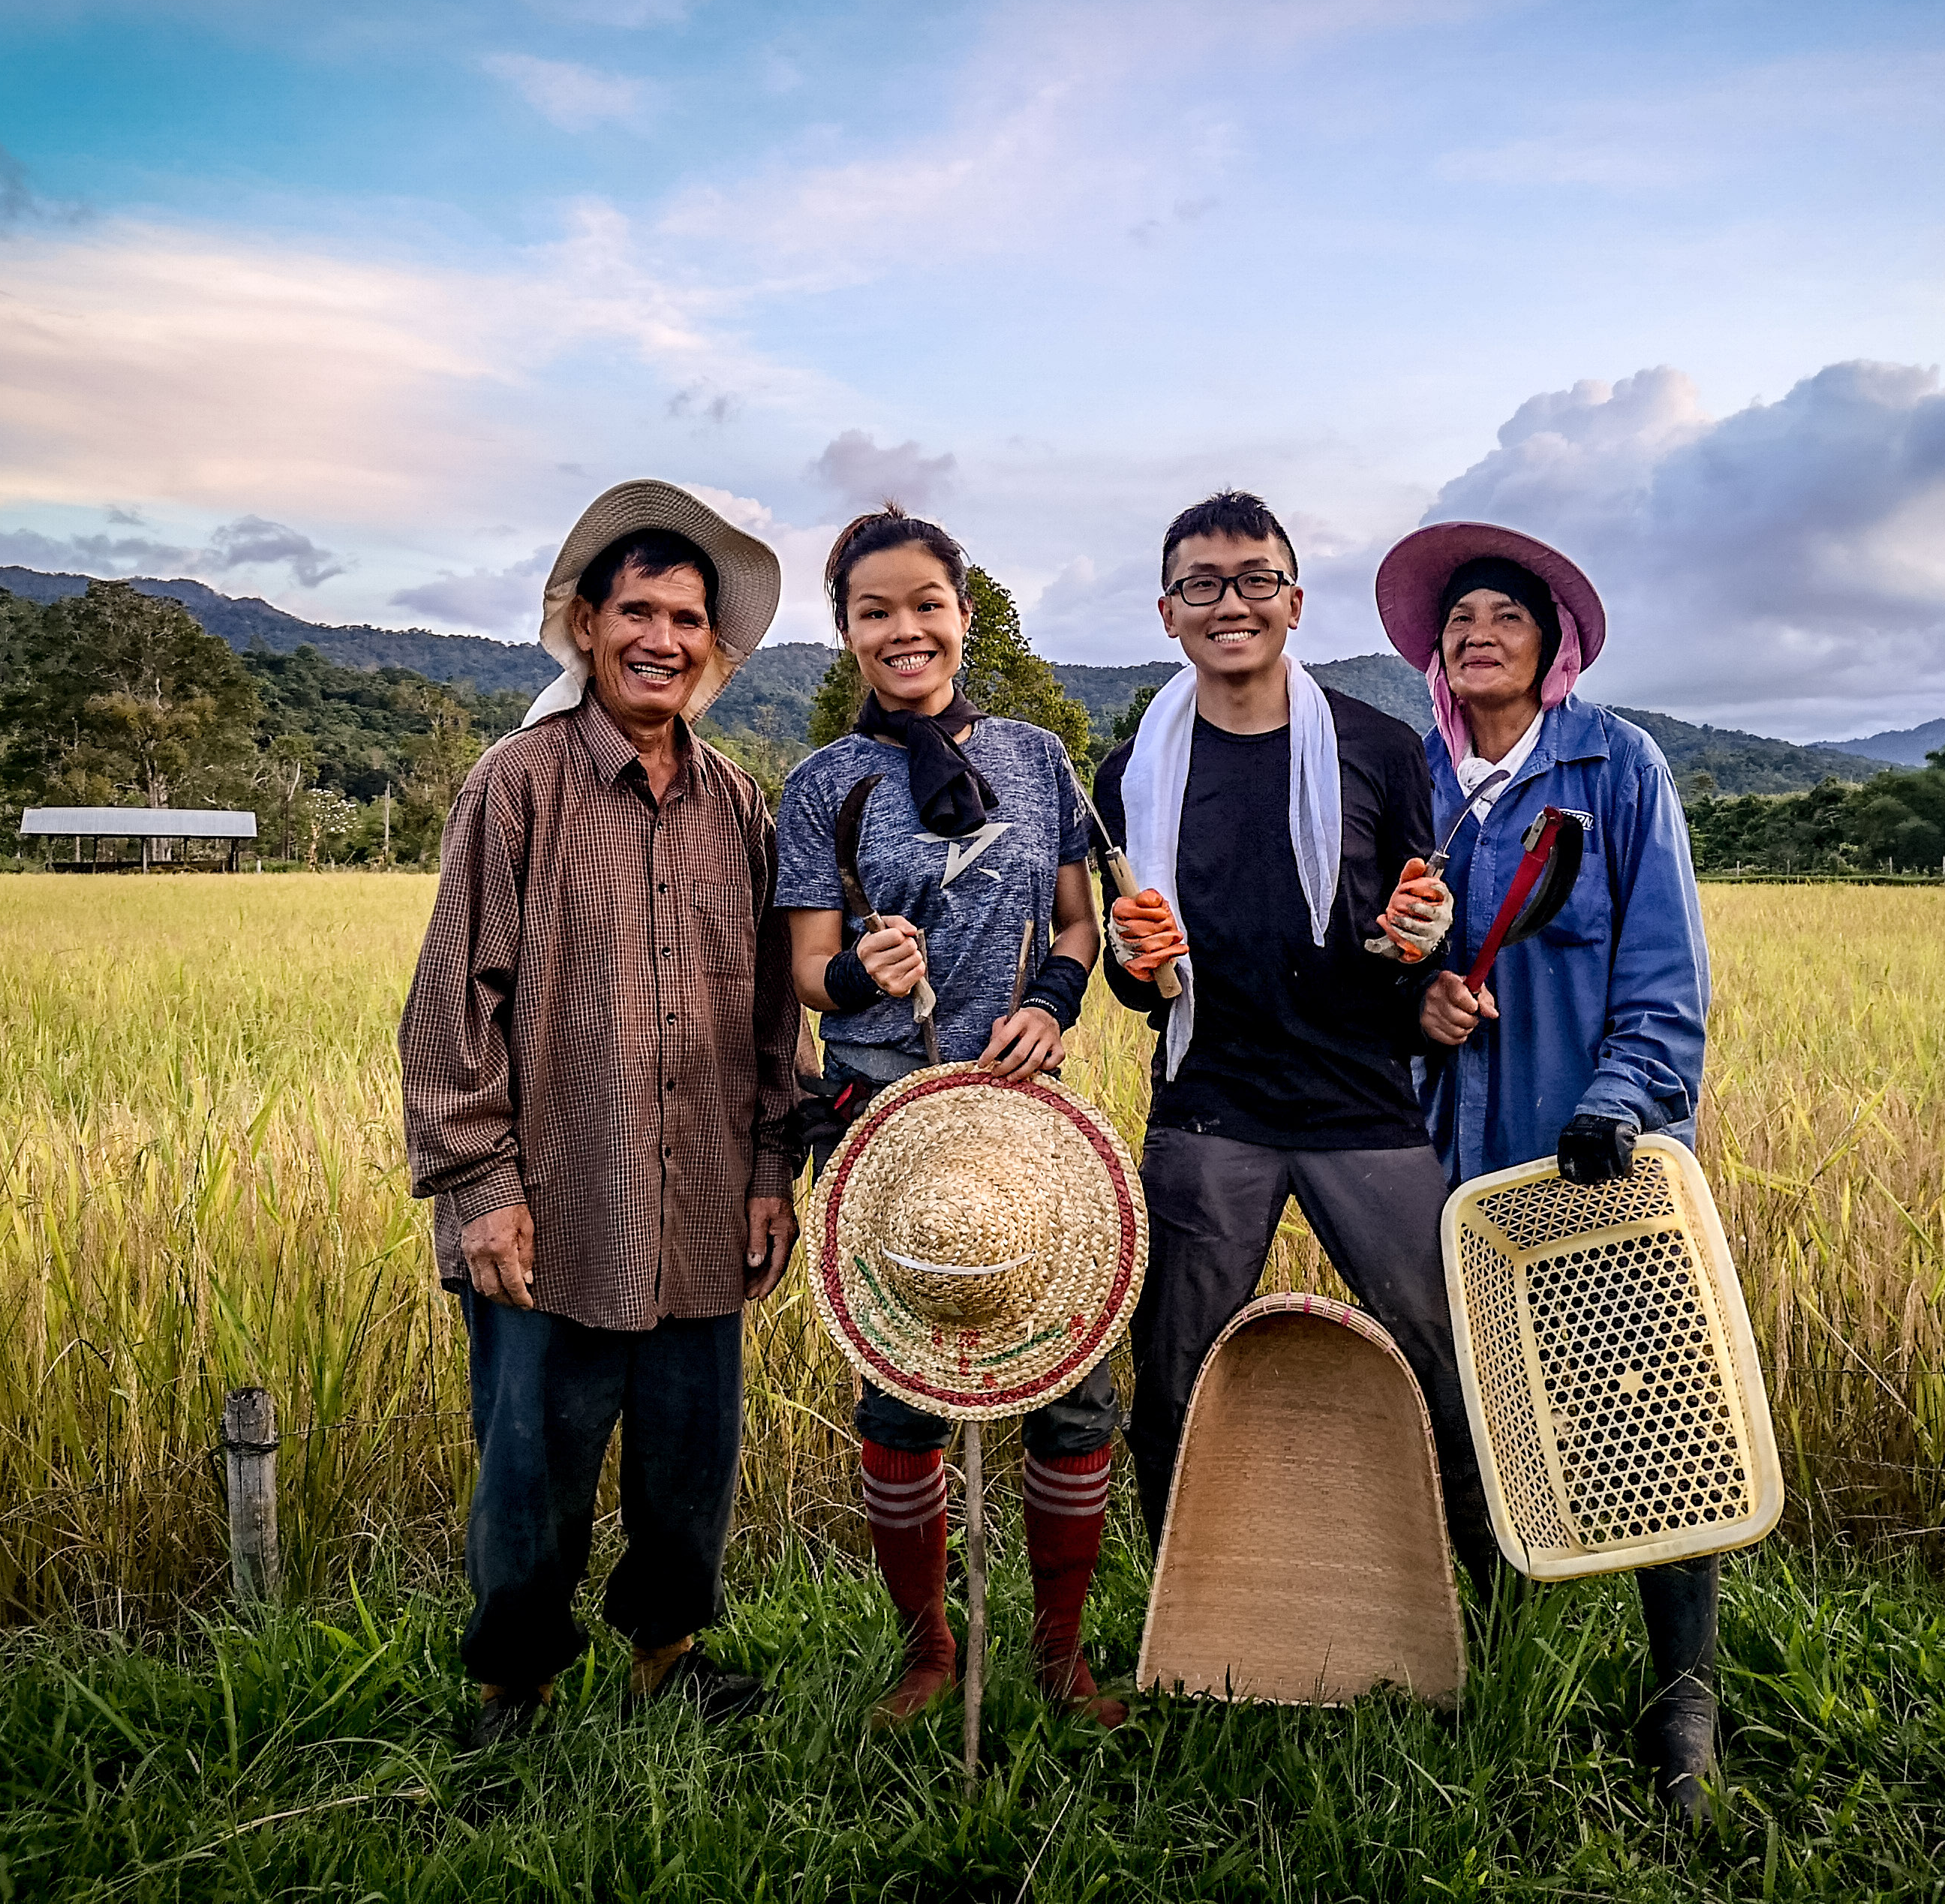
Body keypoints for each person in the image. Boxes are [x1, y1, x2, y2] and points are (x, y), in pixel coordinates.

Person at [400, 480, 801, 1748]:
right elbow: (453, 1000)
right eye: (638, 610)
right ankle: (511, 1690)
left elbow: (768, 1019)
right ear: (585, 623)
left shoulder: (737, 803)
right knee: (531, 1470)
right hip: (556, 1205)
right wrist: (480, 1187)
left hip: (701, 1202)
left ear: (713, 647)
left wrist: (767, 1172)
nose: (662, 640)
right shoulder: (517, 785)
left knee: (691, 1467)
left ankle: (666, 1657)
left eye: (687, 618)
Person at [1375, 517, 1717, 1818]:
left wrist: (1620, 1103)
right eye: (1456, 621)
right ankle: (1491, 1655)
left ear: (1553, 644)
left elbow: (1664, 973)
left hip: (1593, 1156)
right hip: (1454, 1166)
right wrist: (1421, 1005)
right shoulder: (1415, 777)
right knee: (1474, 1410)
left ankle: (1682, 1700)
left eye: (1503, 618)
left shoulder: (1614, 766)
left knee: (1652, 1419)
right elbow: (1381, 956)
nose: (1475, 636)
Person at [1090, 489, 1496, 1589]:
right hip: (1208, 1105)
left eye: (1256, 580)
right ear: (1167, 611)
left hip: (1363, 1102)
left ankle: (1497, 1609)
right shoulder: (1131, 772)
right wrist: (1138, 967)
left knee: (1444, 1361)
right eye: (1203, 585)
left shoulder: (1377, 749)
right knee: (1172, 1380)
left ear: (1296, 601)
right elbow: (1141, 984)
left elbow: (1416, 925)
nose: (1233, 602)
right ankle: (1186, 1615)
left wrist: (1427, 940)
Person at [776, 507, 1127, 1728]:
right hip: (884, 1112)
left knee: (1071, 1389)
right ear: (847, 634)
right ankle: (928, 1649)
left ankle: (1057, 1652)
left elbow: (1080, 926)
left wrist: (1052, 1001)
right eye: (874, 611)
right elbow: (809, 973)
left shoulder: (1038, 762)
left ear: (963, 616)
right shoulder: (824, 784)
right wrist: (871, 971)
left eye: (925, 603)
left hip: (1024, 1110)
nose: (904, 629)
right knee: (905, 1397)